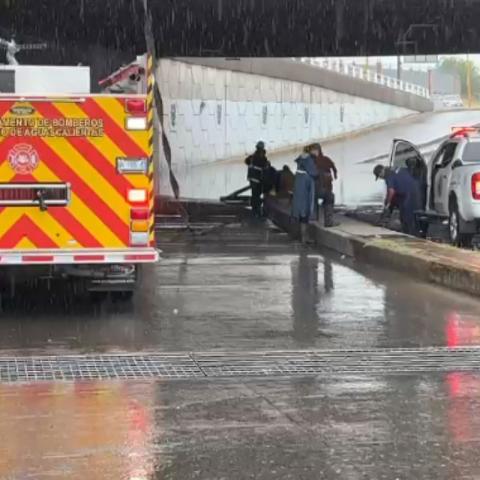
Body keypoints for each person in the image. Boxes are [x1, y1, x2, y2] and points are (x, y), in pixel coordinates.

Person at [373, 164, 421, 235]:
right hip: (414, 190)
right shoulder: (394, 169)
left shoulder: (388, 175)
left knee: (406, 217)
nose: (381, 178)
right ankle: (409, 233)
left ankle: (410, 235)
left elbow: (391, 191)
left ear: (381, 172)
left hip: (408, 194)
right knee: (408, 216)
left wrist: (388, 203)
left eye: (380, 176)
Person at [292, 146, 319, 243]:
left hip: (299, 189)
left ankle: (301, 237)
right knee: (305, 215)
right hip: (305, 190)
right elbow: (314, 173)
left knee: (299, 213)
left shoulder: (300, 161)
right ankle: (304, 238)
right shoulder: (308, 160)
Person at [309, 143, 338, 227]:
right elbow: (333, 167)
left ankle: (313, 217)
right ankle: (328, 221)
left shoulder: (308, 161)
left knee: (314, 198)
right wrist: (334, 174)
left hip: (311, 190)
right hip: (320, 189)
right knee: (330, 197)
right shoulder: (324, 160)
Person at [245, 141, 269, 216]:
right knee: (257, 194)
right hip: (258, 179)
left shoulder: (252, 157)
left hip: (251, 178)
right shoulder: (262, 158)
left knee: (254, 194)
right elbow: (264, 168)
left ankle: (254, 209)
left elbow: (246, 161)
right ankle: (257, 210)